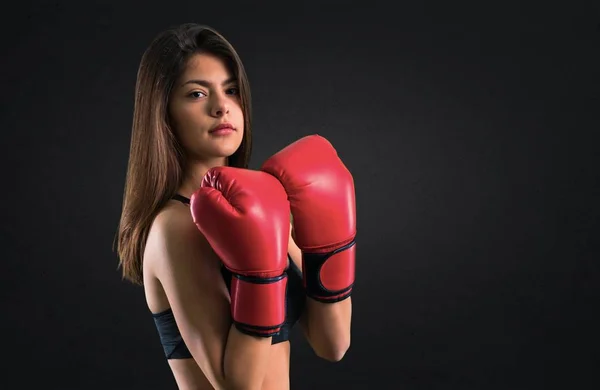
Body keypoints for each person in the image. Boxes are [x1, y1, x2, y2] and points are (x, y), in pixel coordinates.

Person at [115, 23, 355, 390]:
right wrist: (259, 275)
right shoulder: (174, 228)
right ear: (163, 113)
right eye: (196, 94)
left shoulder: (265, 207)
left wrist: (333, 245)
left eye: (231, 91)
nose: (221, 107)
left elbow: (333, 344)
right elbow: (236, 386)